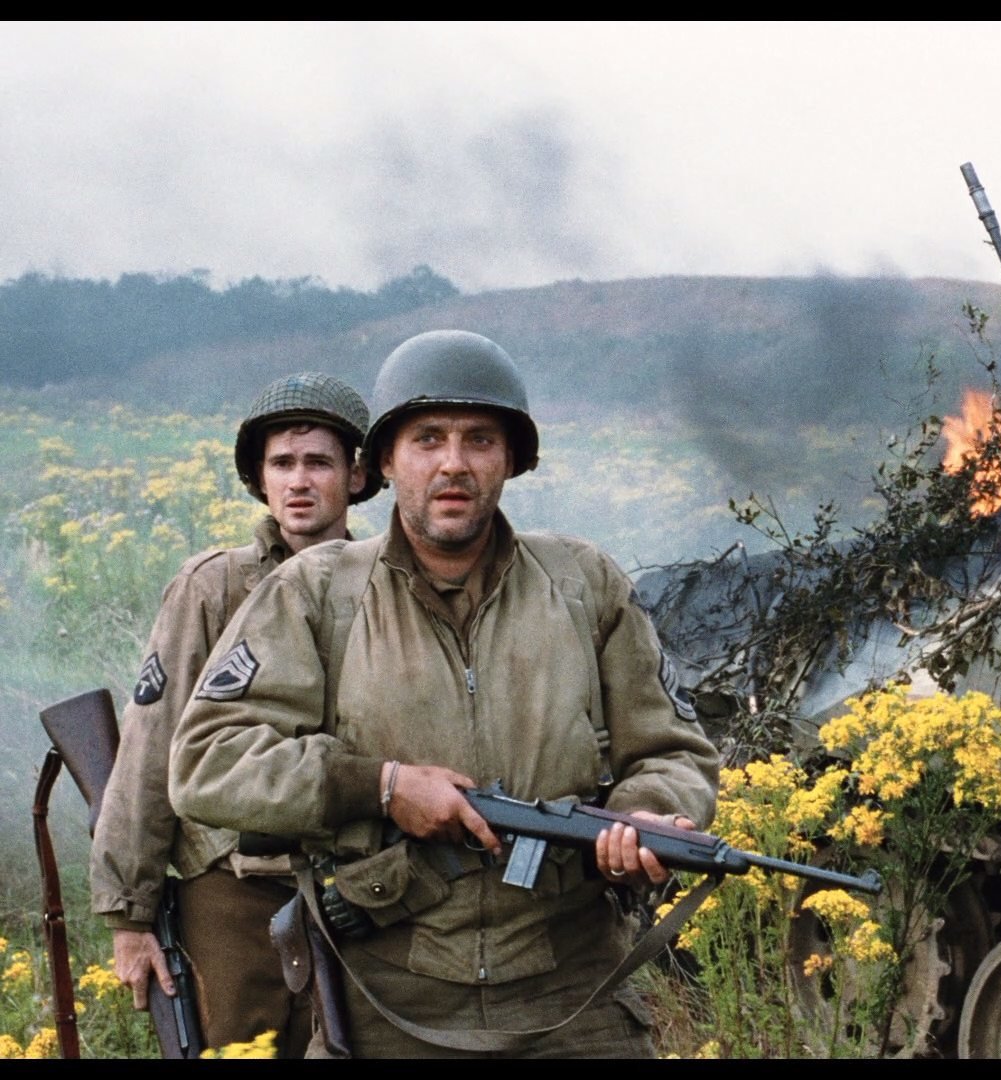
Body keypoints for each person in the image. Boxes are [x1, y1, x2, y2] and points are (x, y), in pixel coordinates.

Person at [169, 330, 721, 1057]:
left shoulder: (582, 582)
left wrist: (642, 813)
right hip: (385, 998)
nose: (453, 463)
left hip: (575, 994)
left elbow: (673, 750)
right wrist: (381, 786)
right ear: (385, 461)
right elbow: (207, 761)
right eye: (427, 439)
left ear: (511, 460)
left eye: (479, 440)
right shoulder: (317, 593)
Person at [90, 371, 374, 1055]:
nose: (298, 482)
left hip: (361, 884)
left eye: (318, 462)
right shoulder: (214, 585)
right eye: (282, 463)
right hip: (232, 884)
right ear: (259, 478)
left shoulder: (385, 582)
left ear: (357, 475)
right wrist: (131, 916)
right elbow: (151, 746)